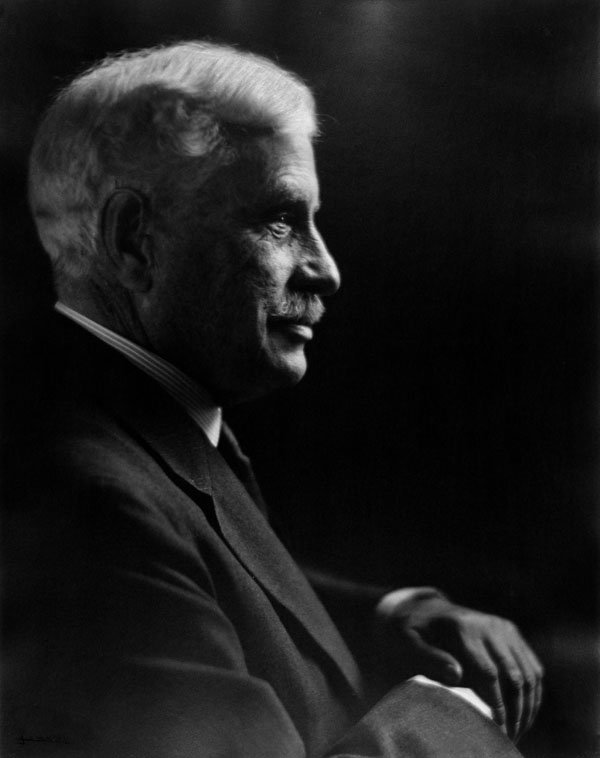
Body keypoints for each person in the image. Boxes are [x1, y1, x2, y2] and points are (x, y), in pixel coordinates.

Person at [1, 41, 543, 757]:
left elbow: (207, 587)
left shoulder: (124, 433)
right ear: (135, 242)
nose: (326, 269)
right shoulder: (89, 505)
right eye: (280, 220)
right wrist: (448, 720)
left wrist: (390, 612)